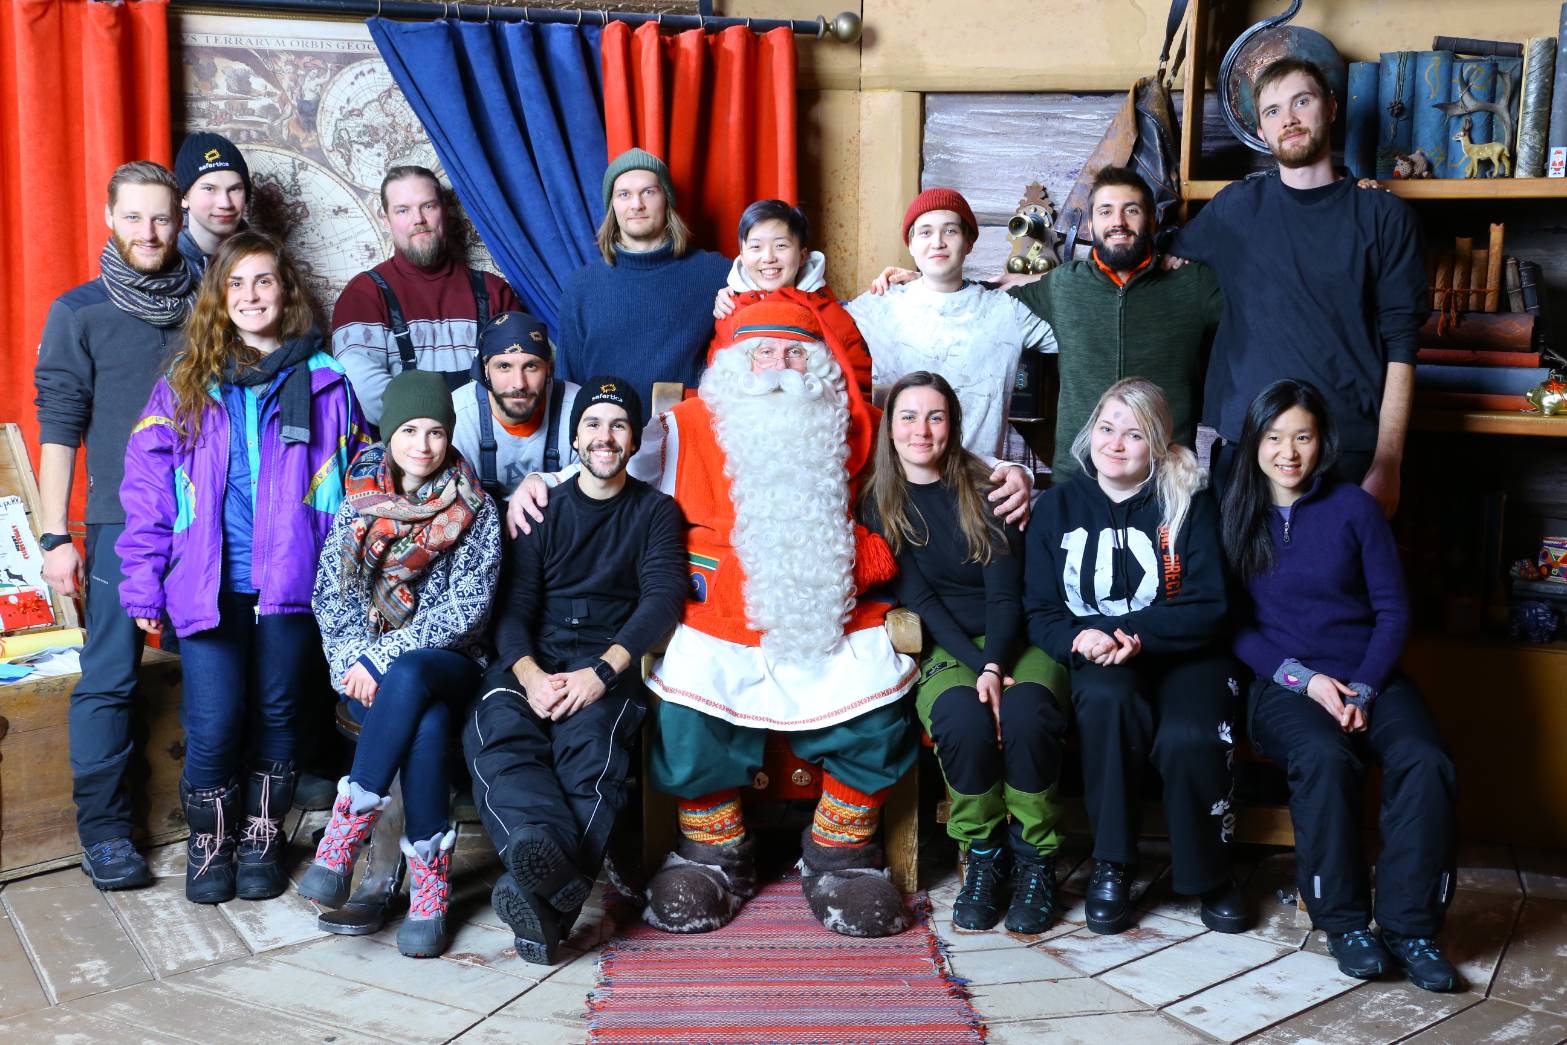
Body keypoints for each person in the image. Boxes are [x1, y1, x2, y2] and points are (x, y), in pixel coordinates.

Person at [512, 301, 918, 939]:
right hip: (717, 605)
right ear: (734, 364)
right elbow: (606, 463)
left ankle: (840, 853)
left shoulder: (851, 424)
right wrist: (539, 481)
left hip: (823, 603)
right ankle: (713, 852)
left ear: (816, 365)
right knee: (690, 702)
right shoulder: (686, 425)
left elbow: (932, 469)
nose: (779, 366)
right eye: (763, 352)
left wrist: (999, 473)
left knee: (874, 700)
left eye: (793, 353)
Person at [117, 230, 371, 904]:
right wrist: (142, 578)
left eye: (263, 281)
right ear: (218, 297)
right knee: (213, 719)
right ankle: (211, 842)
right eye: (237, 283)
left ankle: (262, 836)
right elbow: (147, 488)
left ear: (284, 291)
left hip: (292, 583)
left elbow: (354, 492)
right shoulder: (184, 385)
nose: (251, 295)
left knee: (282, 714)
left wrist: (357, 582)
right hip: (208, 581)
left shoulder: (325, 381)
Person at [1222, 378, 1459, 992]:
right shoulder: (1235, 512)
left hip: (1370, 677)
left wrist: (1364, 688)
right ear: (1255, 442)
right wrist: (1309, 683)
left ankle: (1410, 928)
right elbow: (1237, 628)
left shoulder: (1354, 508)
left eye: (1302, 436)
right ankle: (1347, 923)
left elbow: (1392, 611)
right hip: (1284, 688)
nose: (1288, 452)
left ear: (1322, 440)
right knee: (1324, 758)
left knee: (1426, 761)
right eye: (1274, 437)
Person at [463, 378, 685, 965]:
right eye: (592, 424)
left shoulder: (656, 512)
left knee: (590, 749)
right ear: (575, 436)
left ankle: (541, 896)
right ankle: (552, 873)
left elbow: (662, 601)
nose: (604, 436)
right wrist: (532, 677)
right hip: (536, 657)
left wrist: (602, 675)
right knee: (496, 729)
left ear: (634, 438)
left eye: (617, 425)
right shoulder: (544, 509)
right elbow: (513, 609)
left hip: (606, 662)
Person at [1023, 378, 1245, 936]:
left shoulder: (1190, 502)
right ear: (1089, 431)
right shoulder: (1057, 507)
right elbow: (1041, 610)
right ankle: (1113, 863)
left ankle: (1209, 873)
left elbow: (1211, 605)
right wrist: (1078, 641)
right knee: (1104, 701)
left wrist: (1136, 635)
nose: (1115, 444)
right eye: (1106, 428)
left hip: (1187, 656)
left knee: (1189, 737)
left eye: (1134, 434)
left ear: (1160, 445)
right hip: (1101, 659)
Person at [34, 160, 199, 890]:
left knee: (219, 666)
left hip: (205, 522)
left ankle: (214, 820)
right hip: (118, 525)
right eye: (133, 217)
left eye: (161, 217)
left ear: (180, 218)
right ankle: (104, 832)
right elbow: (60, 429)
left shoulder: (213, 305)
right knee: (109, 677)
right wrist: (53, 536)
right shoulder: (80, 312)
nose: (148, 231)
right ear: (109, 218)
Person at [860, 371, 1070, 934]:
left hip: (1017, 637)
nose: (921, 430)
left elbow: (1006, 594)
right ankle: (984, 855)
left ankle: (1035, 859)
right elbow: (919, 598)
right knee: (962, 718)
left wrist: (998, 667)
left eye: (935, 416)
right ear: (890, 426)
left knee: (1027, 716)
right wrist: (979, 672)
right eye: (908, 416)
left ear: (952, 425)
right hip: (946, 643)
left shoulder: (988, 488)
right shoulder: (877, 502)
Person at [1170, 57, 1426, 515]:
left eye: (1300, 102)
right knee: (1238, 587)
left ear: (1329, 108)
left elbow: (1402, 346)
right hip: (1246, 449)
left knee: (1340, 586)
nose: (1287, 119)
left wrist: (1389, 461)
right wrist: (1036, 275)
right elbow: (1151, 256)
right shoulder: (1235, 209)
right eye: (1272, 111)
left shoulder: (1383, 217)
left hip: (1344, 450)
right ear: (1262, 132)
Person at [302, 370, 501, 958]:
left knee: (415, 676)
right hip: (381, 673)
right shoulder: (359, 499)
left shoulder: (475, 507)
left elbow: (466, 612)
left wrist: (378, 658)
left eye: (437, 431)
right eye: (410, 429)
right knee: (427, 720)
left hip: (456, 662)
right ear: (389, 434)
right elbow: (331, 594)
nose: (423, 444)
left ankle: (344, 833)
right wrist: (347, 664)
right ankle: (430, 891)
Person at [1005, 167, 1221, 480]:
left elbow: (1255, 301)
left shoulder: (1194, 285)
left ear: (1152, 221)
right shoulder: (1064, 285)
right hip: (1078, 479)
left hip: (1167, 481)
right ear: (1091, 226)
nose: (1118, 222)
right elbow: (991, 296)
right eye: (1106, 211)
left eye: (1131, 210)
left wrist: (1184, 247)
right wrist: (917, 282)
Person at [848, 188, 1058, 466]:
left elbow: (1078, 330)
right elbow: (812, 326)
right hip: (898, 480)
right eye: (925, 232)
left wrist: (1023, 280)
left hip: (977, 479)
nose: (937, 242)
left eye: (950, 231)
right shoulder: (880, 305)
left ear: (969, 241)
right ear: (910, 245)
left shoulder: (1005, 311)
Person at [331, 165, 523, 426]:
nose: (418, 219)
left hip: (487, 445)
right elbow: (368, 397)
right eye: (403, 210)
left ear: (444, 211)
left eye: (428, 206)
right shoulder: (362, 296)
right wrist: (434, 438)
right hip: (408, 456)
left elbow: (518, 383)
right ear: (386, 220)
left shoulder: (494, 292)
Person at [554, 148, 730, 405]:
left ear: (666, 199)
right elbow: (568, 387)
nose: (637, 204)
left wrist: (740, 295)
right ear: (612, 205)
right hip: (607, 440)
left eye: (648, 192)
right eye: (624, 194)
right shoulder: (581, 286)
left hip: (685, 435)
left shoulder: (716, 274)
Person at [711, 198, 875, 397]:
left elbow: (860, 383)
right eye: (756, 247)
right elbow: (716, 382)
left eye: (781, 246)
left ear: (803, 255)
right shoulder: (730, 308)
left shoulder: (830, 313)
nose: (769, 257)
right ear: (742, 255)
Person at [451, 310, 579, 502]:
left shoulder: (579, 407)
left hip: (560, 523)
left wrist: (550, 480)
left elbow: (604, 472)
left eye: (531, 366)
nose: (519, 383)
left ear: (549, 369)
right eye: (504, 367)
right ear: (485, 369)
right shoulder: (457, 416)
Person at [174, 131, 250, 277]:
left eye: (235, 189)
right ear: (183, 197)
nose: (225, 203)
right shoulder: (160, 260)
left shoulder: (262, 258)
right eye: (209, 189)